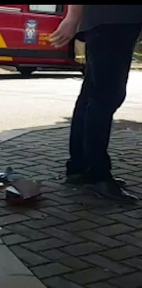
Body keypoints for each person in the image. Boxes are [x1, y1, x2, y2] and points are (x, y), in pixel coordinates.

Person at [51, 5, 142, 202]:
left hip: (109, 22)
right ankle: (97, 174)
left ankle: (79, 168)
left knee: (92, 96)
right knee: (105, 97)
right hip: (113, 21)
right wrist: (72, 17)